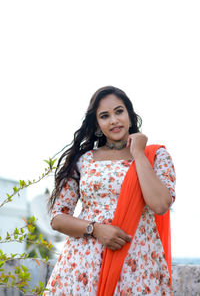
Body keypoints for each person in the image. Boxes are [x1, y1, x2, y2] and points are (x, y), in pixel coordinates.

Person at [43, 86, 176, 296]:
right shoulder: (83, 160)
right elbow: (58, 218)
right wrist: (95, 229)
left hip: (137, 268)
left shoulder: (155, 156)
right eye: (105, 116)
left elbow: (159, 205)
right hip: (83, 268)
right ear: (97, 124)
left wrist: (138, 154)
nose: (114, 120)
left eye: (119, 111)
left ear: (130, 115)